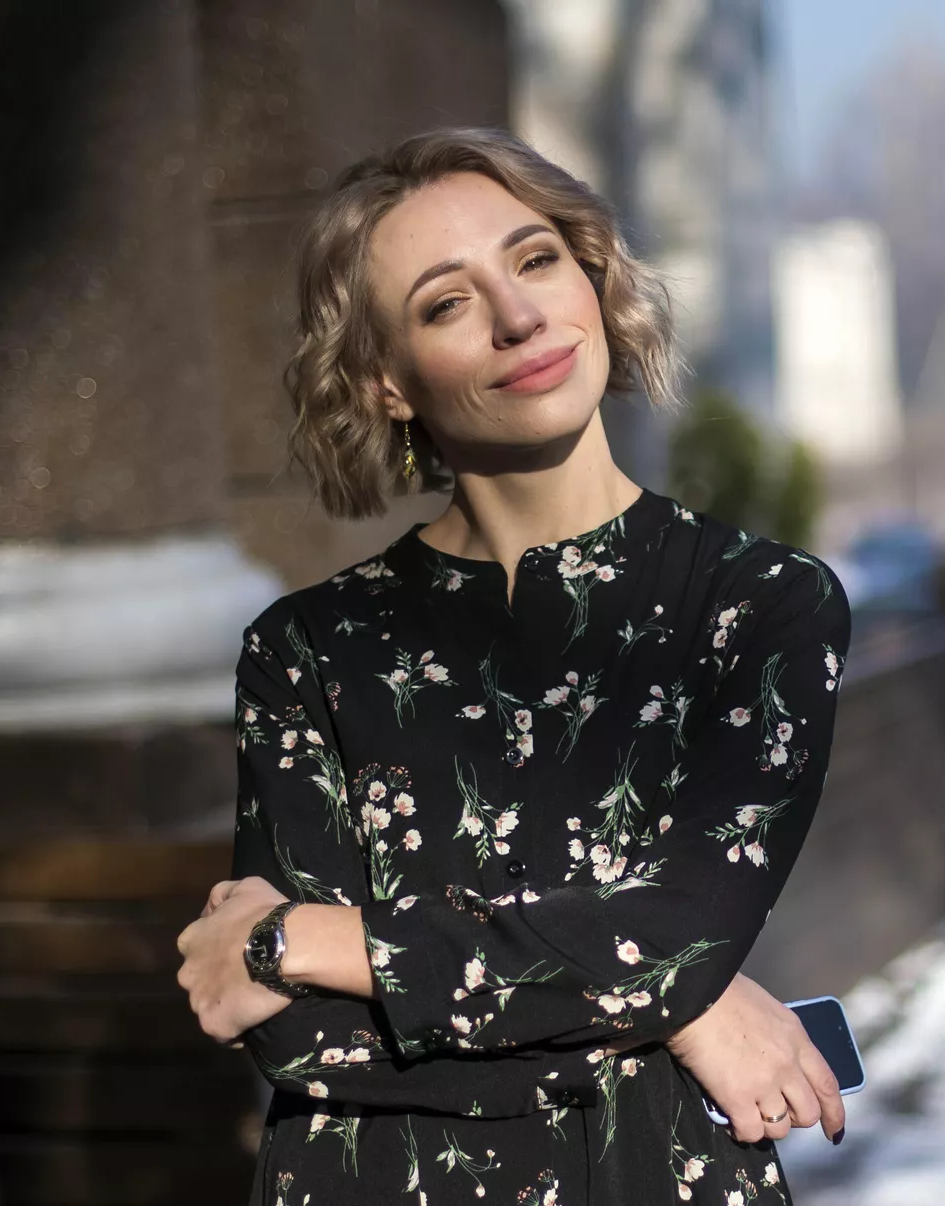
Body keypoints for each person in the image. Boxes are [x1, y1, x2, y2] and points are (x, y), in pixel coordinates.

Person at [175, 127, 851, 1206]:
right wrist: (680, 1016)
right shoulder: (309, 651)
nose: (519, 317)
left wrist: (306, 939)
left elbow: (674, 937)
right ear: (387, 382)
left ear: (593, 277)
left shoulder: (761, 603)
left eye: (536, 260)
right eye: (446, 303)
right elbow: (300, 1039)